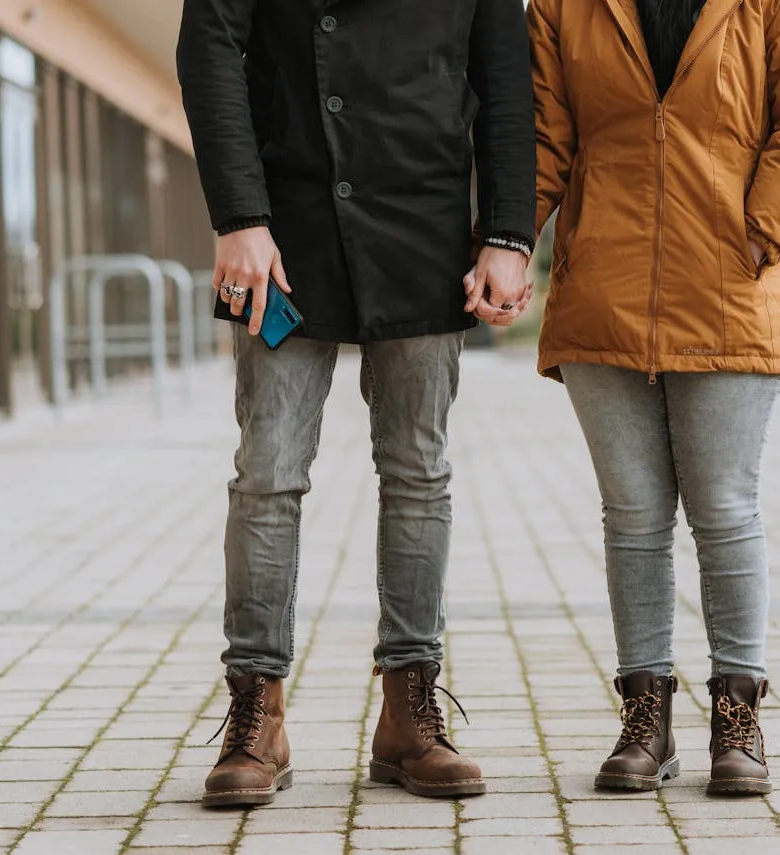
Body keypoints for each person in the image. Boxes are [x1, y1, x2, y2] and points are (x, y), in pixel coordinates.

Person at [176, 0, 536, 807]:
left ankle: (410, 706)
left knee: (418, 471)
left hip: (424, 222)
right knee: (266, 472)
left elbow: (507, 83)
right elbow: (209, 46)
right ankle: (255, 710)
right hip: (283, 230)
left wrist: (508, 234)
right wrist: (239, 215)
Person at [523, 0, 780, 796]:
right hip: (604, 284)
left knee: (724, 506)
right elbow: (542, 138)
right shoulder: (562, 8)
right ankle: (646, 716)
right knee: (633, 515)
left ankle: (737, 717)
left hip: (727, 284)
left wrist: (764, 223)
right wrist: (502, 242)